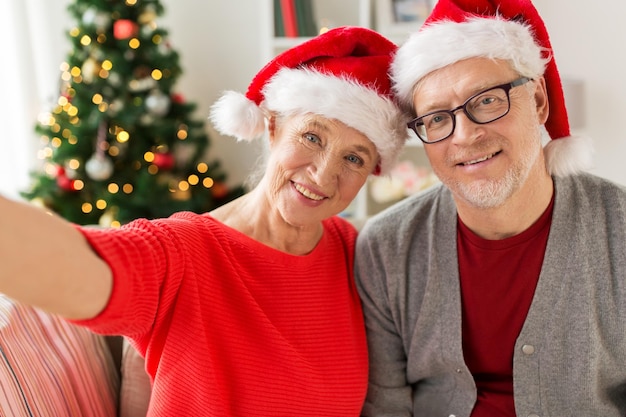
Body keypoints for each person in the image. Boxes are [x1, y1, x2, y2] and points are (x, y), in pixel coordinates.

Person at [0, 26, 409, 416]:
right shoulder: (181, 250)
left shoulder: (351, 248)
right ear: (272, 126)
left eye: (353, 158)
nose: (323, 175)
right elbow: (82, 268)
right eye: (312, 137)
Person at [355, 0, 626, 416]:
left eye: (485, 101)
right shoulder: (387, 248)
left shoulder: (619, 229)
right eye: (437, 118)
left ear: (538, 100)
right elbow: (385, 407)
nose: (464, 136)